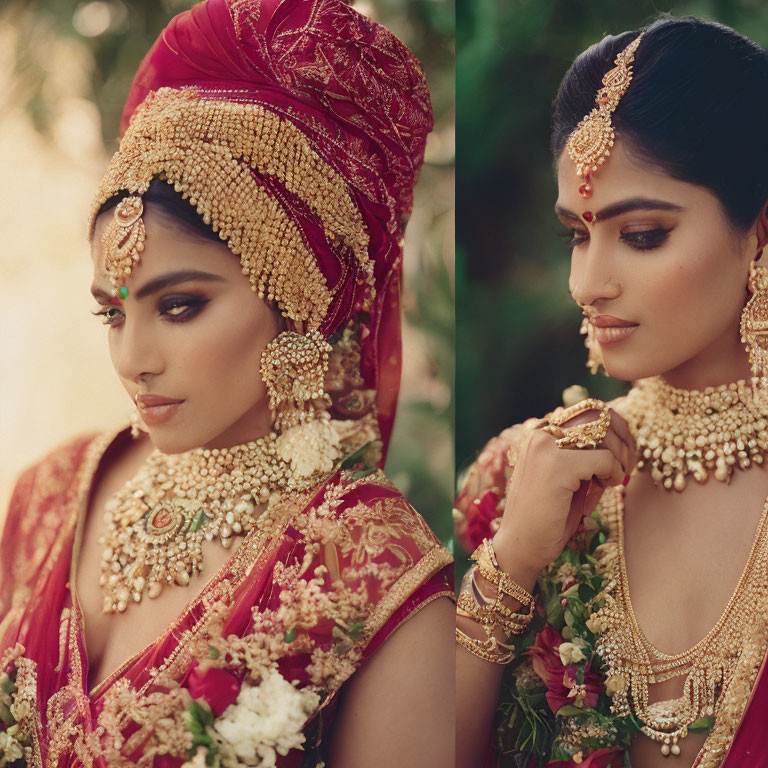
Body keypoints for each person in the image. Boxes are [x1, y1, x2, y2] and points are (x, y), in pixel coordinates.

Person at [0, 1, 454, 765]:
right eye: (111, 313)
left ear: (303, 292)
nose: (132, 358)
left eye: (180, 307)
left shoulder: (375, 573)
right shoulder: (49, 494)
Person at [455, 16, 768, 768]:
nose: (587, 284)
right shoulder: (523, 480)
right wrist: (513, 565)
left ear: (759, 231)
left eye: (643, 234)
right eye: (577, 235)